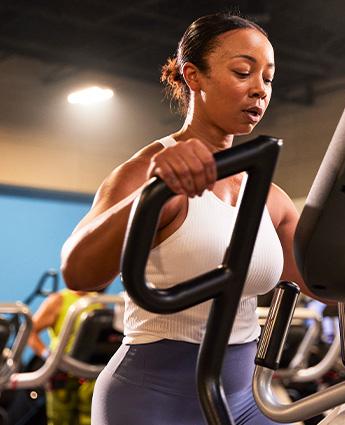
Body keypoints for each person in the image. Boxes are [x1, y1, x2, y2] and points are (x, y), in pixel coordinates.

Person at [60, 12, 309, 425]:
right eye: (243, 72)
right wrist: (153, 193)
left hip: (244, 399)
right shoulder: (145, 172)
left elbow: (328, 287)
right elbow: (79, 272)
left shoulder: (270, 199)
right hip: (152, 399)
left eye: (267, 78)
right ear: (193, 76)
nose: (259, 91)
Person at [27, 288, 98, 425]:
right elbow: (30, 332)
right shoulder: (58, 300)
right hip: (62, 374)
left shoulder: (96, 300)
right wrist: (48, 356)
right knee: (61, 421)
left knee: (91, 419)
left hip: (88, 374)